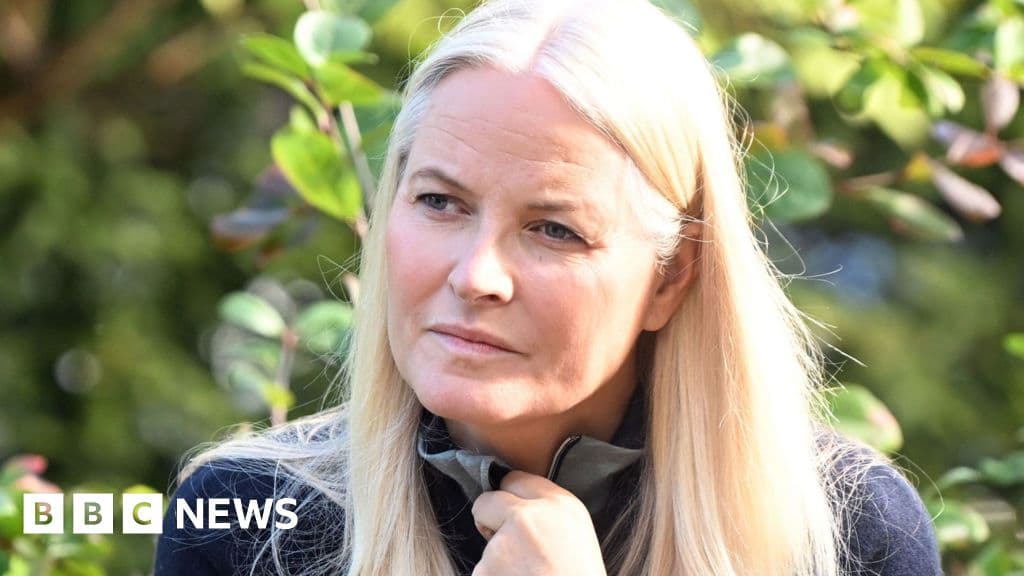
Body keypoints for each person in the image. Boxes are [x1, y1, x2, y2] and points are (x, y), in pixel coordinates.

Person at [154, 0, 943, 574]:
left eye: (554, 229)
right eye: (439, 202)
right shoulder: (251, 519)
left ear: (670, 280)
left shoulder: (845, 533)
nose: (475, 276)